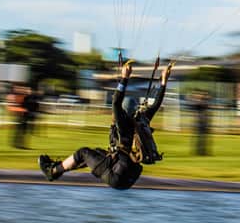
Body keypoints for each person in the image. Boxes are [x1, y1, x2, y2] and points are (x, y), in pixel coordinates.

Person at [38, 60, 148, 190]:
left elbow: (116, 103)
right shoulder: (141, 122)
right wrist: (164, 82)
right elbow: (156, 106)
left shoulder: (123, 122)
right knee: (95, 153)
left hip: (116, 175)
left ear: (124, 111)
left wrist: (124, 78)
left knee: (83, 153)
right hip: (128, 178)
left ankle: (53, 171)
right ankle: (57, 168)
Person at [133, 61, 174, 164]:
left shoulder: (141, 117)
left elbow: (157, 103)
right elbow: (157, 103)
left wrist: (164, 81)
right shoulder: (140, 118)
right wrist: (163, 82)